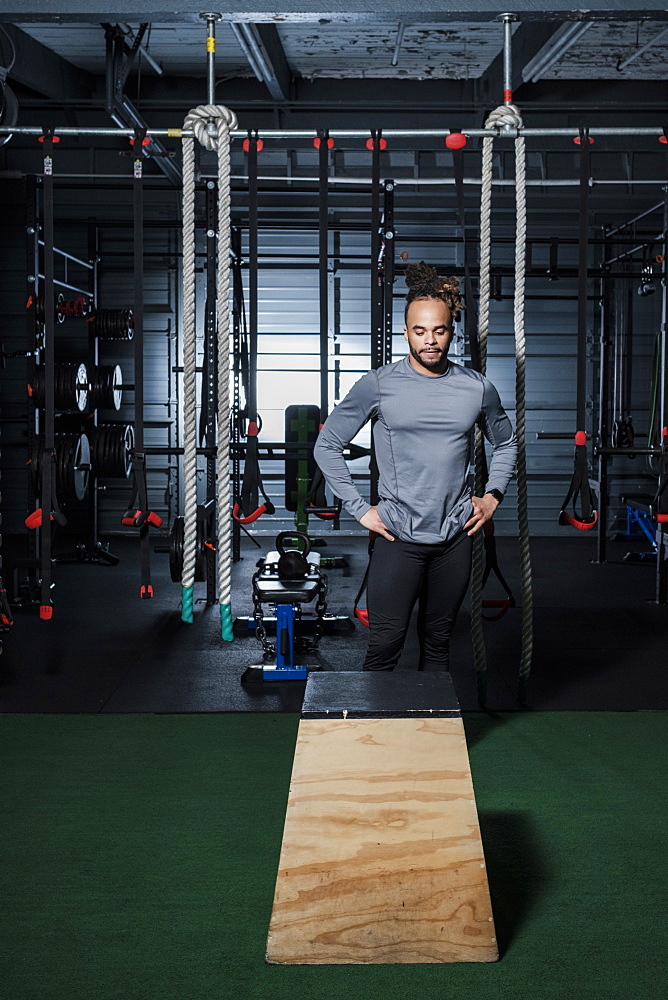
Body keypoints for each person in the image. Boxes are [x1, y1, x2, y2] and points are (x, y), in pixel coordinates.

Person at [313, 262, 518, 671]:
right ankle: (379, 735)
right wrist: (360, 509)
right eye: (420, 331)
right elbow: (327, 444)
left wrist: (493, 496)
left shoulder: (476, 387)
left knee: (438, 645)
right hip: (396, 536)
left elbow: (507, 442)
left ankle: (431, 735)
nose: (430, 340)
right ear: (405, 332)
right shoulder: (378, 384)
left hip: (455, 538)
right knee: (385, 646)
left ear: (451, 329)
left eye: (439, 330)